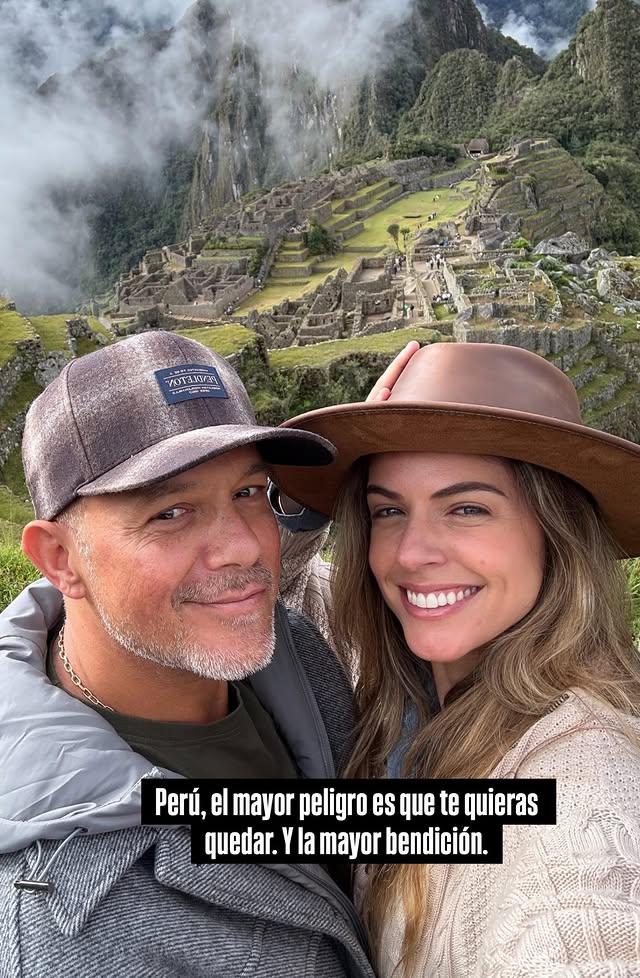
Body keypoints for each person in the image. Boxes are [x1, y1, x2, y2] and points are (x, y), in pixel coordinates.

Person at [0, 330, 374, 978]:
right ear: (62, 559)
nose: (244, 549)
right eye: (171, 512)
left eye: (249, 493)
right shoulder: (70, 936)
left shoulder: (291, 656)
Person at [275, 341, 640, 978]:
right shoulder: (399, 679)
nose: (413, 553)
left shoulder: (581, 782)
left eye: (467, 508)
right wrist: (308, 499)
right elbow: (226, 610)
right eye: (388, 510)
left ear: (555, 534)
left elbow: (584, 917)